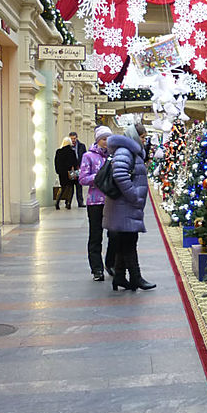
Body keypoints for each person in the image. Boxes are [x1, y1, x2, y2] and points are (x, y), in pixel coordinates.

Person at [104, 124, 156, 292]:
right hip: (124, 205)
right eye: (142, 137)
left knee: (124, 242)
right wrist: (134, 196)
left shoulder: (130, 151)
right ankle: (136, 277)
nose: (144, 140)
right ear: (135, 136)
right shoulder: (125, 152)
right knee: (128, 243)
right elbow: (119, 175)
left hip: (125, 206)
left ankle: (119, 276)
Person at [78, 126, 116, 282]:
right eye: (103, 139)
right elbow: (82, 179)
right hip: (95, 202)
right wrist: (99, 176)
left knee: (114, 235)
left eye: (108, 139)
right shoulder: (88, 156)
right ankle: (97, 269)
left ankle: (110, 263)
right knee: (95, 236)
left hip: (111, 200)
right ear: (98, 140)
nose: (106, 142)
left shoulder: (113, 156)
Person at [54, 137, 78, 210]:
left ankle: (57, 202)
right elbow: (75, 162)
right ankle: (68, 203)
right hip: (70, 172)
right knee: (71, 188)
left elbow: (56, 162)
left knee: (63, 187)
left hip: (62, 173)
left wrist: (58, 171)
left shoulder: (58, 151)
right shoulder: (71, 151)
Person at [69, 131, 87, 207]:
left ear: (77, 138)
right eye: (71, 138)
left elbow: (85, 156)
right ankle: (69, 202)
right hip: (71, 169)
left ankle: (80, 202)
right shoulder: (68, 147)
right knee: (71, 186)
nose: (73, 140)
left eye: (74, 138)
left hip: (79, 168)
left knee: (79, 186)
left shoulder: (82, 146)